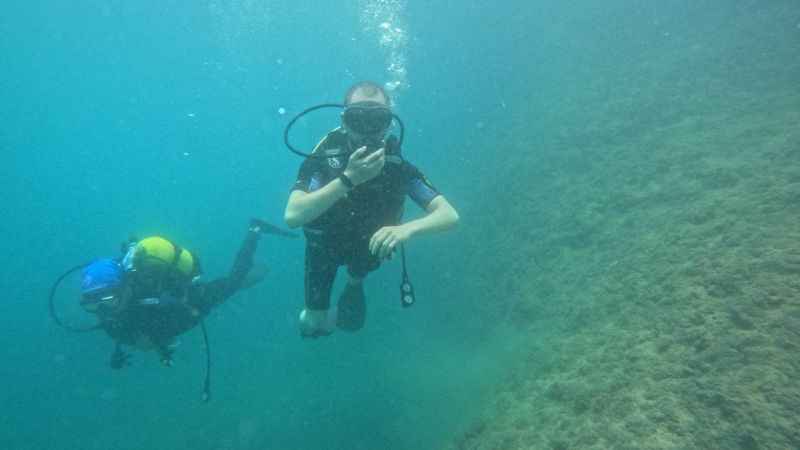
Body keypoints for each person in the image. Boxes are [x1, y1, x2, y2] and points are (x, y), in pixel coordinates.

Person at [284, 81, 459, 338]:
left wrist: (406, 230)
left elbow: (449, 215)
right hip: (324, 249)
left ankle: (355, 282)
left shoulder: (397, 166)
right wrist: (348, 179)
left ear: (389, 124)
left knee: (358, 273)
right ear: (344, 122)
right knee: (311, 325)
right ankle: (320, 314)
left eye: (376, 120)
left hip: (369, 247)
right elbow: (293, 216)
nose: (367, 132)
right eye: (357, 119)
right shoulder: (324, 160)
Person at [78, 218, 293, 369]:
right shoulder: (111, 316)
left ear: (123, 288)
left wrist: (161, 341)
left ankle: (254, 231)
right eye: (94, 305)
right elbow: (140, 332)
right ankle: (247, 274)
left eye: (109, 300)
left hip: (189, 299)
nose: (104, 310)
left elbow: (154, 327)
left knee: (233, 282)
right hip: (176, 312)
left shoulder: (149, 296)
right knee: (233, 285)